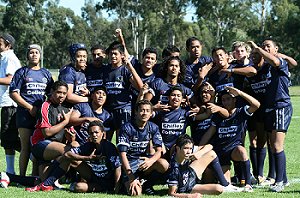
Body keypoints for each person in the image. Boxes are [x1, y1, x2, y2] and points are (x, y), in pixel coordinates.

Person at [26, 120, 122, 193]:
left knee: (78, 187)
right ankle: (47, 183)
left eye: (96, 132)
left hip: (106, 182)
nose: (94, 135)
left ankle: (50, 182)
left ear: (103, 134)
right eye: (91, 133)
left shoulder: (109, 147)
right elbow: (68, 154)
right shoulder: (89, 145)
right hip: (93, 176)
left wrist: (116, 189)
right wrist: (87, 158)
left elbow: (117, 167)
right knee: (70, 158)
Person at [248, 40, 293, 192]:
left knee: (277, 145)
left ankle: (279, 182)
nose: (264, 48)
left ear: (276, 48)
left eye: (268, 46)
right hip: (273, 108)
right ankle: (283, 180)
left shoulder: (279, 61)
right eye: (263, 45)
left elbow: (277, 60)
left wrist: (257, 48)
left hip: (281, 106)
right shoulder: (269, 65)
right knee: (274, 145)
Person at [200, 86, 261, 192]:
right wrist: (199, 150)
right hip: (220, 153)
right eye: (223, 100)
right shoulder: (218, 115)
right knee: (224, 185)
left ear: (234, 100)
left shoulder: (241, 112)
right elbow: (208, 134)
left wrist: (240, 92)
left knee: (242, 150)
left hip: (234, 150)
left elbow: (256, 105)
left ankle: (248, 183)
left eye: (228, 99)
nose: (226, 102)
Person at [10, 44, 54, 176]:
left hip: (40, 115)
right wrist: (29, 107)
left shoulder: (45, 73)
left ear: (40, 55)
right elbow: (13, 93)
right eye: (31, 52)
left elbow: (51, 93)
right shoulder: (21, 72)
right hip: (24, 114)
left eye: (37, 52)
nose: (34, 55)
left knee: (38, 145)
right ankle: (22, 177)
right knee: (25, 147)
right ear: (27, 56)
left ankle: (35, 175)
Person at [117, 100, 169, 195]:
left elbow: (159, 151)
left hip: (143, 161)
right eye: (142, 110)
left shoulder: (153, 127)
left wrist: (151, 161)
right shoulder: (126, 128)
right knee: (135, 193)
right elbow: (122, 155)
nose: (144, 113)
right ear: (136, 112)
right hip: (129, 163)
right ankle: (124, 183)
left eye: (147, 111)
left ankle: (147, 185)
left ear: (150, 113)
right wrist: (131, 177)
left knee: (164, 164)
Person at [167, 134, 242, 197]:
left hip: (190, 173)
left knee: (211, 154)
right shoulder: (174, 169)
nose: (189, 151)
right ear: (178, 148)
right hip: (187, 187)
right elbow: (171, 193)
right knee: (219, 189)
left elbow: (210, 146)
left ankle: (226, 185)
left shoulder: (185, 152)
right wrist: (189, 196)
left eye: (190, 148)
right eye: (186, 148)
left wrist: (199, 153)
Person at [30, 81, 74, 178]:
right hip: (41, 144)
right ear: (52, 92)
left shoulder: (66, 109)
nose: (61, 96)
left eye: (64, 93)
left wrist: (71, 137)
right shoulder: (45, 106)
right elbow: (47, 132)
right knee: (69, 152)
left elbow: (70, 134)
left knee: (41, 179)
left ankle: (8, 177)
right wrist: (65, 122)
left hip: (56, 147)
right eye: (59, 92)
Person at [102, 39, 143, 136]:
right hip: (108, 109)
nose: (113, 56)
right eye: (111, 54)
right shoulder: (105, 70)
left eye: (115, 54)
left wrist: (130, 67)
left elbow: (140, 87)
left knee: (122, 139)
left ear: (122, 55)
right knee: (105, 139)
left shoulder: (125, 70)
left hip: (123, 109)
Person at [0, 33, 21, 174]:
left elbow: (10, 80)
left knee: (9, 138)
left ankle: (36, 156)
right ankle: (10, 171)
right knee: (8, 138)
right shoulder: (4, 58)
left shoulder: (9, 58)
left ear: (8, 45)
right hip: (7, 104)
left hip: (11, 104)